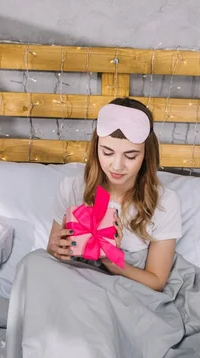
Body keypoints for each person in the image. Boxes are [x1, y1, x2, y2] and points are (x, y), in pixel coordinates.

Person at [46, 97, 182, 292]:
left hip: (126, 292)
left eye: (130, 156)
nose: (117, 166)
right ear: (96, 149)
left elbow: (157, 281)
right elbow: (54, 260)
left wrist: (112, 261)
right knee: (32, 262)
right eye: (107, 152)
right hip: (76, 287)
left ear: (146, 155)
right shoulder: (72, 188)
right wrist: (54, 250)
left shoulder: (165, 202)